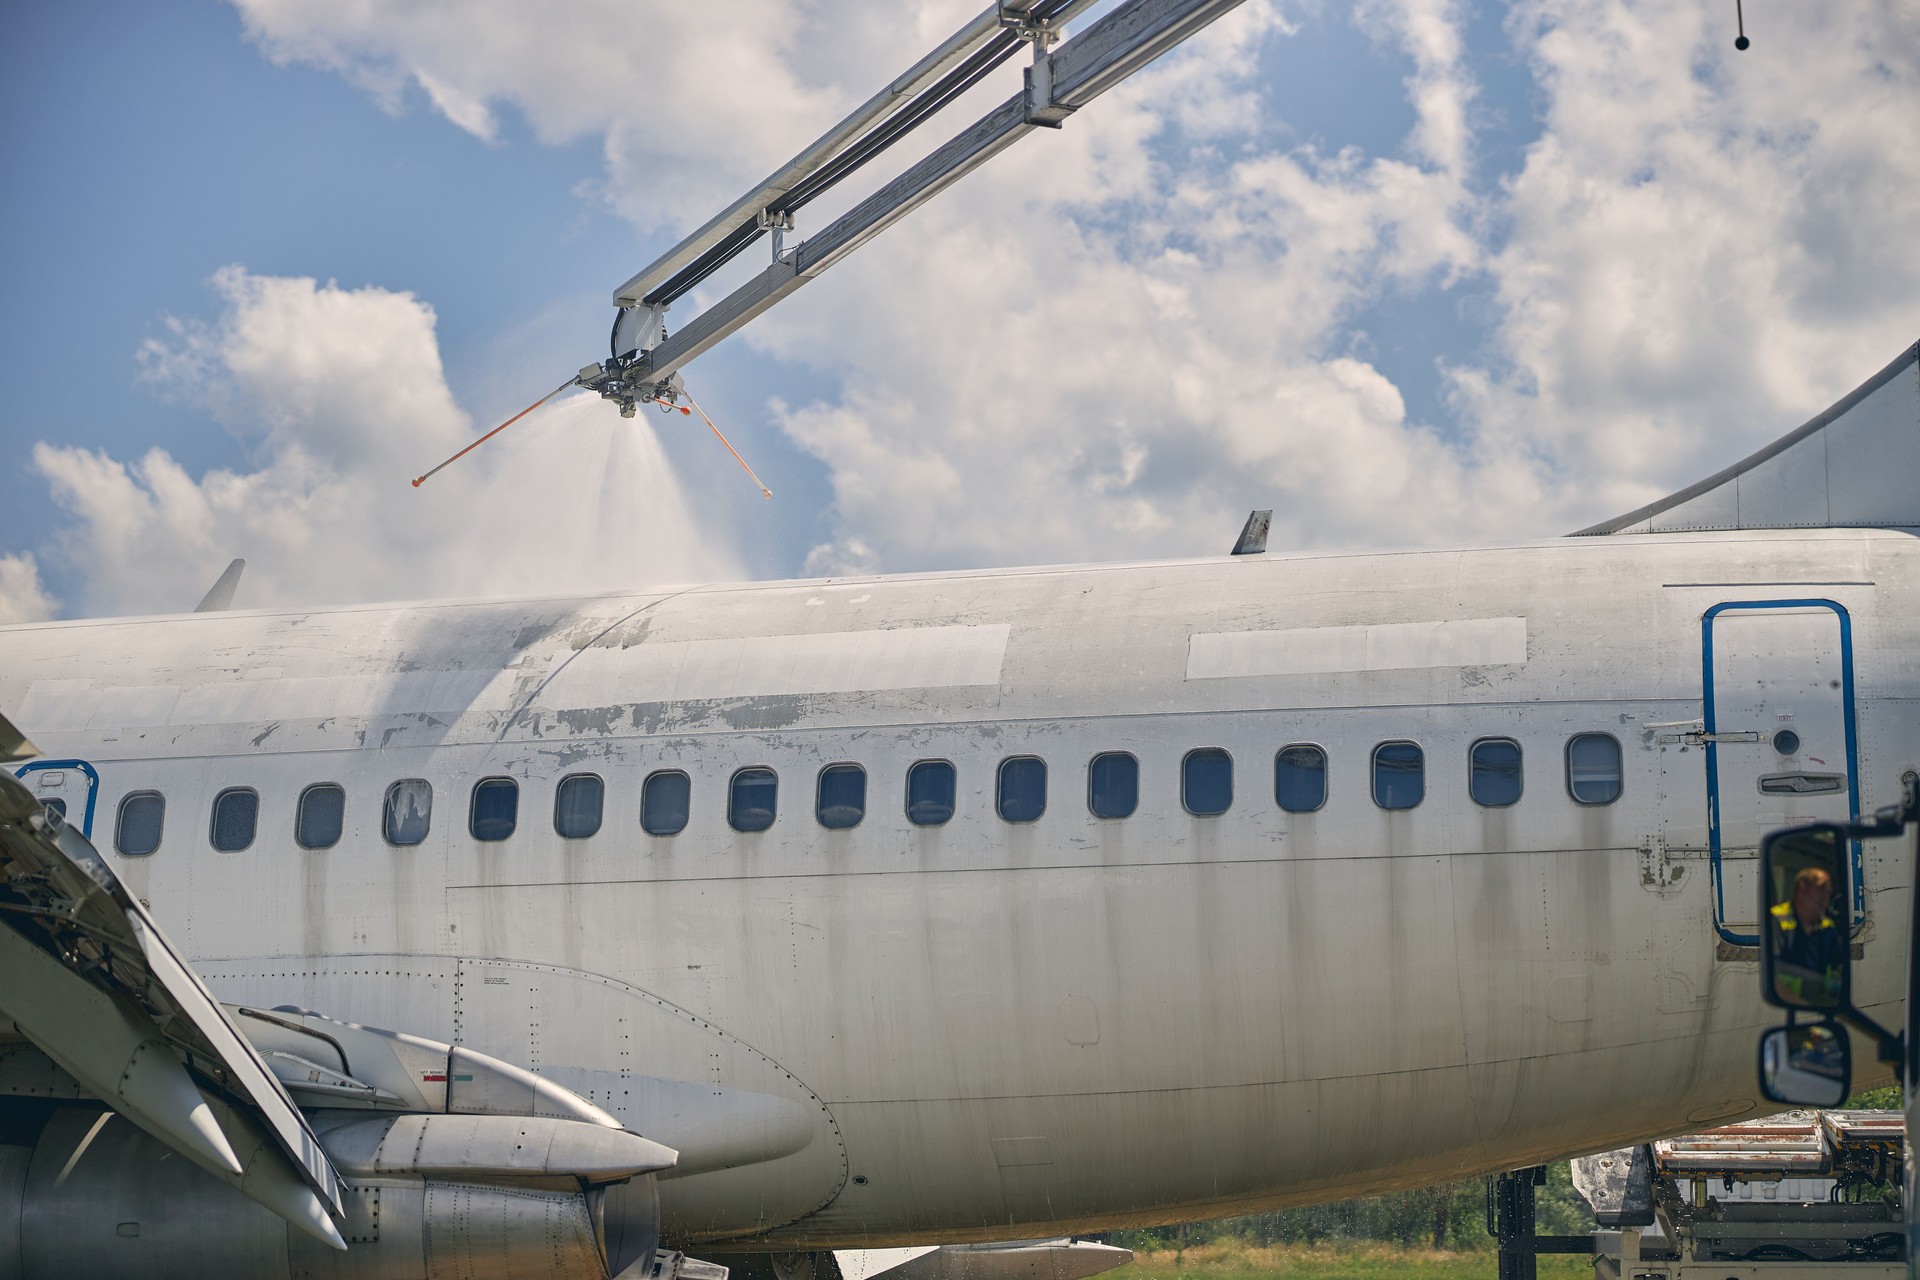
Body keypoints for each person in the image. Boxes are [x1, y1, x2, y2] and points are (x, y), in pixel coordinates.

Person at [1769, 865, 1846, 1004]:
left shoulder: (1827, 927)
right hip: (1791, 1001)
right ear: (1802, 888)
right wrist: (1803, 1004)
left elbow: (1839, 965)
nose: (1825, 899)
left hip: (1821, 1000)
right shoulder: (1777, 920)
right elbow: (1773, 976)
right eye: (1821, 890)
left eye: (1828, 893)